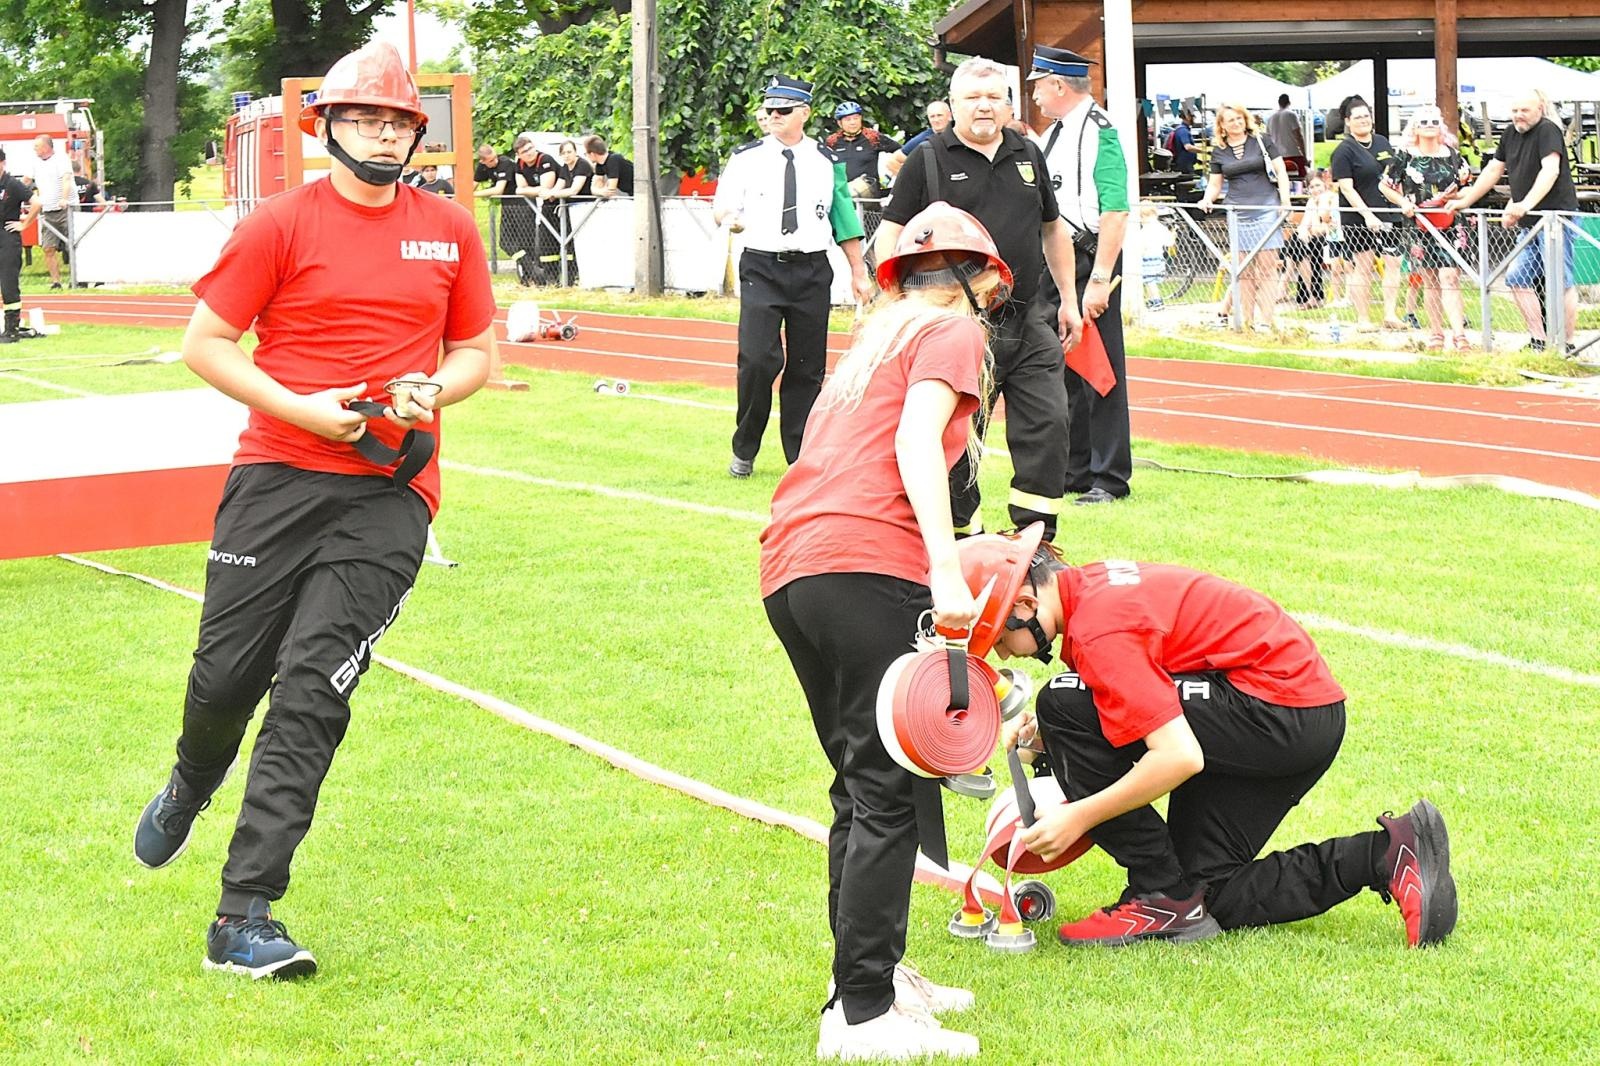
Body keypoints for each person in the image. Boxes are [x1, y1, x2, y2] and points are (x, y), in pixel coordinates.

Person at [131, 41, 497, 980]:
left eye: (398, 120)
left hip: (391, 492)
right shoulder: (279, 224)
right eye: (366, 117)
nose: (383, 132)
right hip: (276, 480)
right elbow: (206, 345)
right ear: (326, 126)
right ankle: (192, 777)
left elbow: (475, 354)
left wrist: (432, 394)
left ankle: (244, 912)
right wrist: (307, 414)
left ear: (418, 134)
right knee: (223, 683)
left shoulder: (451, 229)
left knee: (310, 690)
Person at [761, 201, 1011, 1061]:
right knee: (887, 789)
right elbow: (912, 445)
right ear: (981, 281)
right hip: (870, 563)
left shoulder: (874, 343)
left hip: (797, 566)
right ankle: (861, 1013)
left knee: (856, 785)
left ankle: (871, 978)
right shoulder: (950, 333)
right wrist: (947, 569)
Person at [965, 533, 1459, 951]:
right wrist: (1049, 739)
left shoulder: (1099, 628)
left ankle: (1158, 894)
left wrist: (1079, 815)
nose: (1013, 654)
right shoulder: (1087, 590)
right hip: (1294, 713)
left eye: (1003, 641)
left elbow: (1179, 754)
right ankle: (1386, 854)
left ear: (1027, 605)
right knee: (1206, 894)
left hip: (1276, 712)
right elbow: (1133, 692)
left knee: (1061, 702)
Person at [878, 56, 1083, 539]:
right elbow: (889, 234)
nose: (984, 107)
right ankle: (961, 539)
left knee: (1048, 425)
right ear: (953, 105)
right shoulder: (927, 160)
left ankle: (1035, 542)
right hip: (957, 324)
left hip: (1029, 317)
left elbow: (1053, 231)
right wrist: (895, 302)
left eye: (994, 97)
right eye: (973, 98)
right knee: (959, 438)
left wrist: (1069, 301)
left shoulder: (1028, 156)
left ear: (1009, 104)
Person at [713, 75, 873, 478]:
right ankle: (745, 446)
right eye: (768, 110)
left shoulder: (825, 159)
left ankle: (799, 456)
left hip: (811, 269)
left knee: (807, 366)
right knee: (757, 360)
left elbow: (843, 217)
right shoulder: (746, 157)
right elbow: (723, 205)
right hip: (762, 266)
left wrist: (858, 271)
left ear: (805, 112)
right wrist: (730, 219)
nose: (773, 117)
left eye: (783, 110)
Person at [1031, 45, 1133, 506]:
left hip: (1089, 260)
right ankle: (1076, 468)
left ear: (1058, 84)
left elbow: (1114, 210)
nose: (1034, 93)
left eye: (1038, 83)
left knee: (1100, 370)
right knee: (1064, 367)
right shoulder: (1057, 133)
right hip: (1060, 261)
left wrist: (1100, 279)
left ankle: (1109, 476)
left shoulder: (1098, 131)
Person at [1449, 90, 1580, 354]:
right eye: (1515, 110)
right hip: (1528, 221)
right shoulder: (1510, 133)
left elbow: (1550, 169)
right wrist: (1467, 199)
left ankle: (1566, 344)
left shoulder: (1548, 130)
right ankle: (1538, 339)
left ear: (1540, 109)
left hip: (1556, 217)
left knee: (1561, 280)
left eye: (1525, 110)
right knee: (1517, 277)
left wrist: (1524, 204)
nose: (1519, 115)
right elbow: (1494, 169)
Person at [1381, 105, 1472, 351]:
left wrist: (1458, 198)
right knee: (1430, 279)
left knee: (1450, 276)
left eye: (1434, 121)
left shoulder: (1453, 155)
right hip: (1419, 225)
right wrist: (1402, 202)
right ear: (1415, 128)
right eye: (1424, 122)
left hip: (1450, 223)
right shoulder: (1404, 155)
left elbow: (1468, 185)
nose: (1429, 125)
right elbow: (1386, 185)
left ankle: (1459, 335)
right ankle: (1436, 333)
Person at [1198, 103, 1291, 332]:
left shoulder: (1262, 140)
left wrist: (1285, 202)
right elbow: (1215, 183)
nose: (1237, 123)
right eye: (1231, 120)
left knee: (1268, 268)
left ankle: (1265, 321)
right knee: (1243, 270)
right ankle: (1247, 320)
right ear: (1222, 126)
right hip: (1237, 211)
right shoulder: (1219, 151)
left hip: (1266, 206)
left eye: (1240, 118)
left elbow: (1281, 171)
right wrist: (1207, 199)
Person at [1330, 96, 1405, 332]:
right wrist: (1367, 215)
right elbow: (1346, 187)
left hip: (1389, 211)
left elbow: (1394, 176)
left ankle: (1390, 314)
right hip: (1358, 217)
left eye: (1366, 116)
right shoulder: (1343, 151)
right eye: (1357, 117)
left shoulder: (1382, 142)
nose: (1363, 120)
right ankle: (1363, 318)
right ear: (1348, 122)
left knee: (1394, 262)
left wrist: (1402, 202)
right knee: (1363, 265)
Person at [1, 147, 42, 344]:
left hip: (7, 237)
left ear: (3, 164)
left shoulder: (12, 184)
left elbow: (36, 203)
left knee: (8, 283)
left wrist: (25, 224)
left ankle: (12, 329)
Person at [474, 142, 530, 283]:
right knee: (505, 242)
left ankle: (530, 273)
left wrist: (474, 195)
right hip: (507, 206)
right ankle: (529, 268)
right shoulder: (482, 166)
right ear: (483, 161)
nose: (495, 161)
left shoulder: (505, 163)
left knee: (524, 241)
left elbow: (498, 189)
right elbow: (472, 184)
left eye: (495, 157)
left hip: (521, 205)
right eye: (490, 160)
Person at [824, 101, 900, 203]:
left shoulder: (873, 137)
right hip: (843, 196)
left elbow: (902, 152)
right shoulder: (832, 142)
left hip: (869, 195)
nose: (852, 122)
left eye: (856, 118)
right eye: (847, 119)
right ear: (839, 123)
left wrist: (893, 172)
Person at [513, 135, 564, 286]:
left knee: (559, 242)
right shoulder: (520, 164)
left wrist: (528, 190)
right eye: (524, 151)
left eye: (530, 148)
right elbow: (519, 188)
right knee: (545, 242)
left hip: (559, 204)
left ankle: (566, 276)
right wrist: (533, 190)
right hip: (545, 205)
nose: (529, 153)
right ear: (519, 155)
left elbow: (546, 187)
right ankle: (550, 278)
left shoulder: (545, 159)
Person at [31, 135, 75, 290]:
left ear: (46, 147)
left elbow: (66, 179)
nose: (34, 149)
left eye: (37, 146)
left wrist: (64, 199)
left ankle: (78, 278)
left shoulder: (61, 159)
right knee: (48, 247)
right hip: (48, 210)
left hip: (66, 209)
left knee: (74, 245)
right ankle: (56, 282)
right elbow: (26, 180)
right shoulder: (35, 163)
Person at [550, 139, 594, 284]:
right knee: (570, 244)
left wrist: (554, 194)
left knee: (583, 242)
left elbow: (575, 190)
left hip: (586, 208)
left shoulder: (582, 165)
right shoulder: (564, 167)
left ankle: (582, 275)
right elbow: (559, 186)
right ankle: (570, 277)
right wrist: (550, 193)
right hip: (571, 209)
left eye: (569, 152)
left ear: (576, 152)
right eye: (563, 153)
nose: (567, 156)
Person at [888, 100, 953, 177]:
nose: (936, 120)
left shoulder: (961, 133)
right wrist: (912, 182)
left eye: (939, 115)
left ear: (949, 115)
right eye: (932, 116)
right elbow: (892, 161)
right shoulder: (922, 139)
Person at [1137, 201, 1175, 310]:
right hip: (1157, 257)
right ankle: (1151, 300)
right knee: (1148, 281)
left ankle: (1157, 301)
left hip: (1149, 257)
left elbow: (1142, 244)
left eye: (1144, 217)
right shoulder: (1160, 228)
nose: (1143, 220)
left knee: (1150, 281)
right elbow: (1169, 242)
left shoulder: (1147, 230)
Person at [1267, 93, 1308, 184]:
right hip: (1293, 152)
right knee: (1302, 179)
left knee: (1279, 179)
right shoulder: (1291, 115)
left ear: (1279, 103)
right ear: (1289, 102)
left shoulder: (1270, 118)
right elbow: (1298, 135)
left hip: (1277, 154)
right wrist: (1304, 155)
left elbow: (1268, 137)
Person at [1166, 108, 1199, 174]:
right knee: (1188, 183)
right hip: (1183, 165)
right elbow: (1188, 147)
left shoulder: (1181, 129)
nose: (1194, 119)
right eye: (1193, 116)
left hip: (1183, 163)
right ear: (1188, 117)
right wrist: (1203, 150)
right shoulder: (1183, 130)